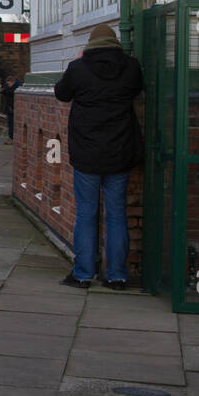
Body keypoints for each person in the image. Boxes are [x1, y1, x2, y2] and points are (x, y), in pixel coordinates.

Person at [53, 23, 143, 290]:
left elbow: (61, 93)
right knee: (116, 214)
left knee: (86, 213)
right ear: (115, 42)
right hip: (120, 152)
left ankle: (82, 274)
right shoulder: (131, 67)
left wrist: (79, 65)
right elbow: (137, 89)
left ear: (90, 44)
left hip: (87, 153)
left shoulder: (78, 68)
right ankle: (116, 275)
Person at [0, 76, 20, 143]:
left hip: (12, 108)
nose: (8, 85)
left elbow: (5, 92)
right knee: (10, 124)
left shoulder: (15, 88)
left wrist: (6, 89)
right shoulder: (10, 87)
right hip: (10, 108)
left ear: (12, 82)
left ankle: (12, 138)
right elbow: (2, 91)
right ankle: (11, 138)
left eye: (9, 84)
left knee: (11, 124)